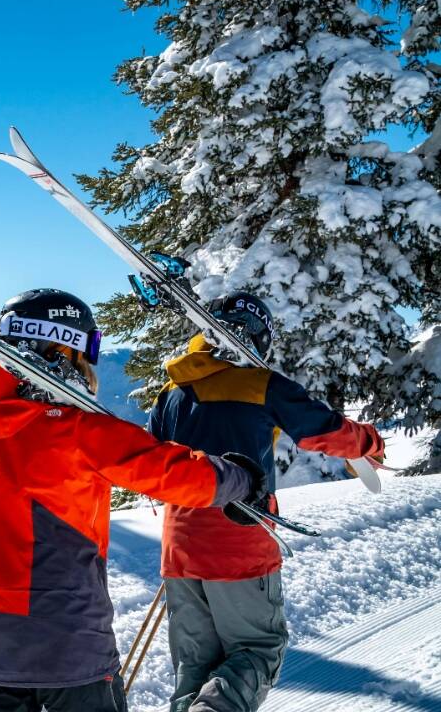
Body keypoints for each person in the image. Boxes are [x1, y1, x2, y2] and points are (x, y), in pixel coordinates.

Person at [0, 288, 266, 712]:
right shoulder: (80, 432)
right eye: (88, 350)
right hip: (69, 646)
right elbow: (175, 473)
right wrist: (241, 478)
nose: (92, 366)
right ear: (62, 348)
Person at [149, 291, 385, 712]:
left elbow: (154, 460)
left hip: (178, 546)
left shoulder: (171, 392)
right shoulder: (260, 384)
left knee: (194, 668)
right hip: (239, 538)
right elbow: (323, 431)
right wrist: (369, 442)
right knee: (258, 649)